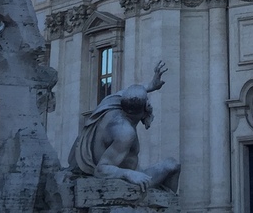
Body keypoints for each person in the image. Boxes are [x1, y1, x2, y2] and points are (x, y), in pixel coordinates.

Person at [68, 60, 181, 193]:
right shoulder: (125, 133)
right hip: (128, 180)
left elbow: (130, 93)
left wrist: (151, 86)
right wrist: (129, 174)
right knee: (172, 165)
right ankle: (167, 201)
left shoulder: (111, 102)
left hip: (128, 172)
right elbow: (101, 169)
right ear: (146, 108)